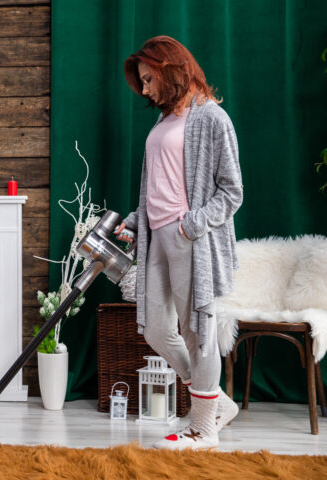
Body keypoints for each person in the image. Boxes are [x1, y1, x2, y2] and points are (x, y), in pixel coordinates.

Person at [114, 36, 243, 450]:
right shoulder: (164, 119)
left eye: (150, 79)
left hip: (189, 237)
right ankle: (217, 403)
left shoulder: (211, 118)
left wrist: (193, 225)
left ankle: (203, 429)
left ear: (170, 70)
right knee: (155, 328)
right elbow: (159, 184)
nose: (146, 89)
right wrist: (136, 220)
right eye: (143, 82)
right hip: (155, 235)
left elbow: (231, 192)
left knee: (196, 331)